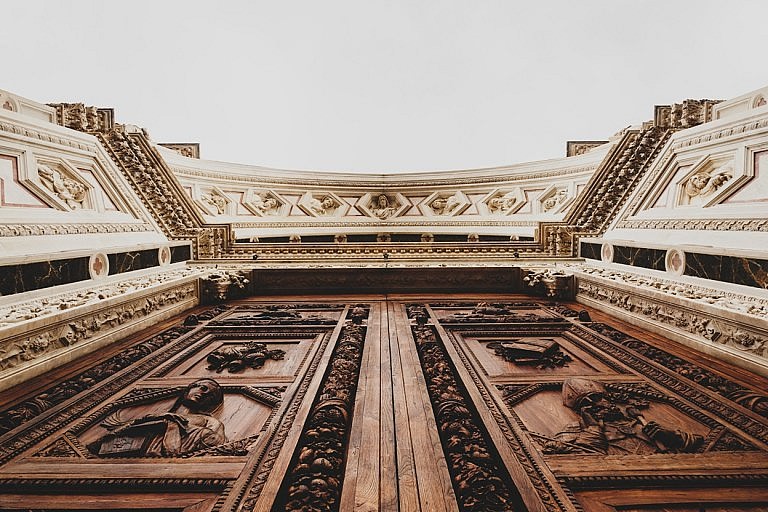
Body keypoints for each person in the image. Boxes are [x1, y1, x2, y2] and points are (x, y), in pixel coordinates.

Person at [542, 378, 703, 455]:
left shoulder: (637, 421)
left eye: (598, 398)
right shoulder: (576, 430)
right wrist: (593, 429)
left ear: (608, 399)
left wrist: (669, 435)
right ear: (581, 411)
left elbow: (696, 442)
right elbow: (577, 459)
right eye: (586, 402)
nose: (595, 403)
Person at [88, 378, 226, 457]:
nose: (203, 394)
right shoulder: (155, 413)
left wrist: (172, 425)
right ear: (190, 388)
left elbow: (215, 443)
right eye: (202, 388)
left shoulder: (209, 421)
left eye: (211, 396)